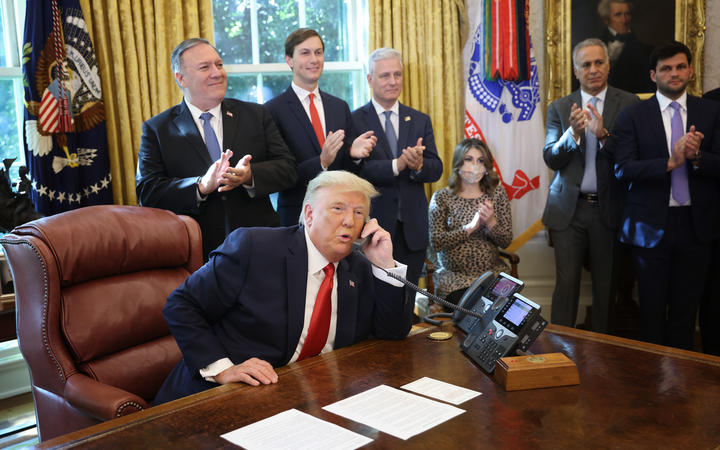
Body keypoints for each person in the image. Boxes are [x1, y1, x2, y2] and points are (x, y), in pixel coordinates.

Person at [154, 170, 413, 403]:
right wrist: (222, 369)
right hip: (222, 397)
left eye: (359, 213)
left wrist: (385, 266)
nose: (349, 221)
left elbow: (392, 333)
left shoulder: (359, 266)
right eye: (338, 208)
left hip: (308, 397)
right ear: (309, 214)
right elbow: (182, 305)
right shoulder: (254, 248)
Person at [136, 38, 296, 260]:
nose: (217, 73)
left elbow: (288, 168)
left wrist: (250, 176)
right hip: (196, 252)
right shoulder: (157, 129)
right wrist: (201, 186)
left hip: (260, 245)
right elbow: (147, 191)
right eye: (205, 67)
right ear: (181, 78)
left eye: (219, 65)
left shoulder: (256, 115)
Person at [614, 41, 720, 350]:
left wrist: (698, 156)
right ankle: (654, 384)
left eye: (679, 67)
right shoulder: (632, 115)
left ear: (690, 70)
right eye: (666, 69)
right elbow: (622, 169)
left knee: (687, 312)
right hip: (649, 228)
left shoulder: (711, 112)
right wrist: (670, 163)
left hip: (696, 226)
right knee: (652, 310)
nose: (674, 74)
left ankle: (681, 385)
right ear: (653, 75)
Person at [542, 38, 638, 334]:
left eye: (599, 63)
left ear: (608, 66)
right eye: (586, 64)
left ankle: (602, 357)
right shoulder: (560, 107)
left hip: (609, 209)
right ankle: (557, 353)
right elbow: (551, 158)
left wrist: (604, 135)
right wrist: (572, 134)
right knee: (566, 285)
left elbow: (634, 157)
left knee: (606, 287)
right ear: (576, 70)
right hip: (568, 211)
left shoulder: (630, 103)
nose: (593, 69)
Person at [352, 48, 443, 297]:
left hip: (413, 228)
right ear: (370, 79)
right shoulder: (355, 120)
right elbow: (356, 173)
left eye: (397, 74)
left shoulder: (419, 120)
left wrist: (418, 166)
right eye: (384, 76)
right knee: (376, 297)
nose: (393, 81)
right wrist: (398, 165)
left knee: (408, 298)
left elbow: (436, 168)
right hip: (375, 227)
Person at [265, 28, 376, 226]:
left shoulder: (339, 106)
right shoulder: (272, 110)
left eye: (318, 52)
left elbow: (348, 171)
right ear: (289, 60)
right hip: (296, 216)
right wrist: (321, 162)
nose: (314, 59)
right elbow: (278, 175)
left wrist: (352, 155)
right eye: (305, 53)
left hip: (340, 217)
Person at [428, 139, 512, 304]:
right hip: (454, 279)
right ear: (458, 163)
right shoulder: (442, 197)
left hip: (492, 274)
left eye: (480, 160)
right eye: (469, 159)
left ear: (487, 166)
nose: (475, 166)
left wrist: (491, 222)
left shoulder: (497, 194)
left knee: (507, 312)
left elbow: (506, 241)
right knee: (475, 310)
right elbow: (435, 242)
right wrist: (469, 228)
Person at [597, 0, 654, 93]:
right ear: (606, 19)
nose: (624, 20)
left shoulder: (647, 51)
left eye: (627, 14)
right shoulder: (594, 46)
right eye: (618, 15)